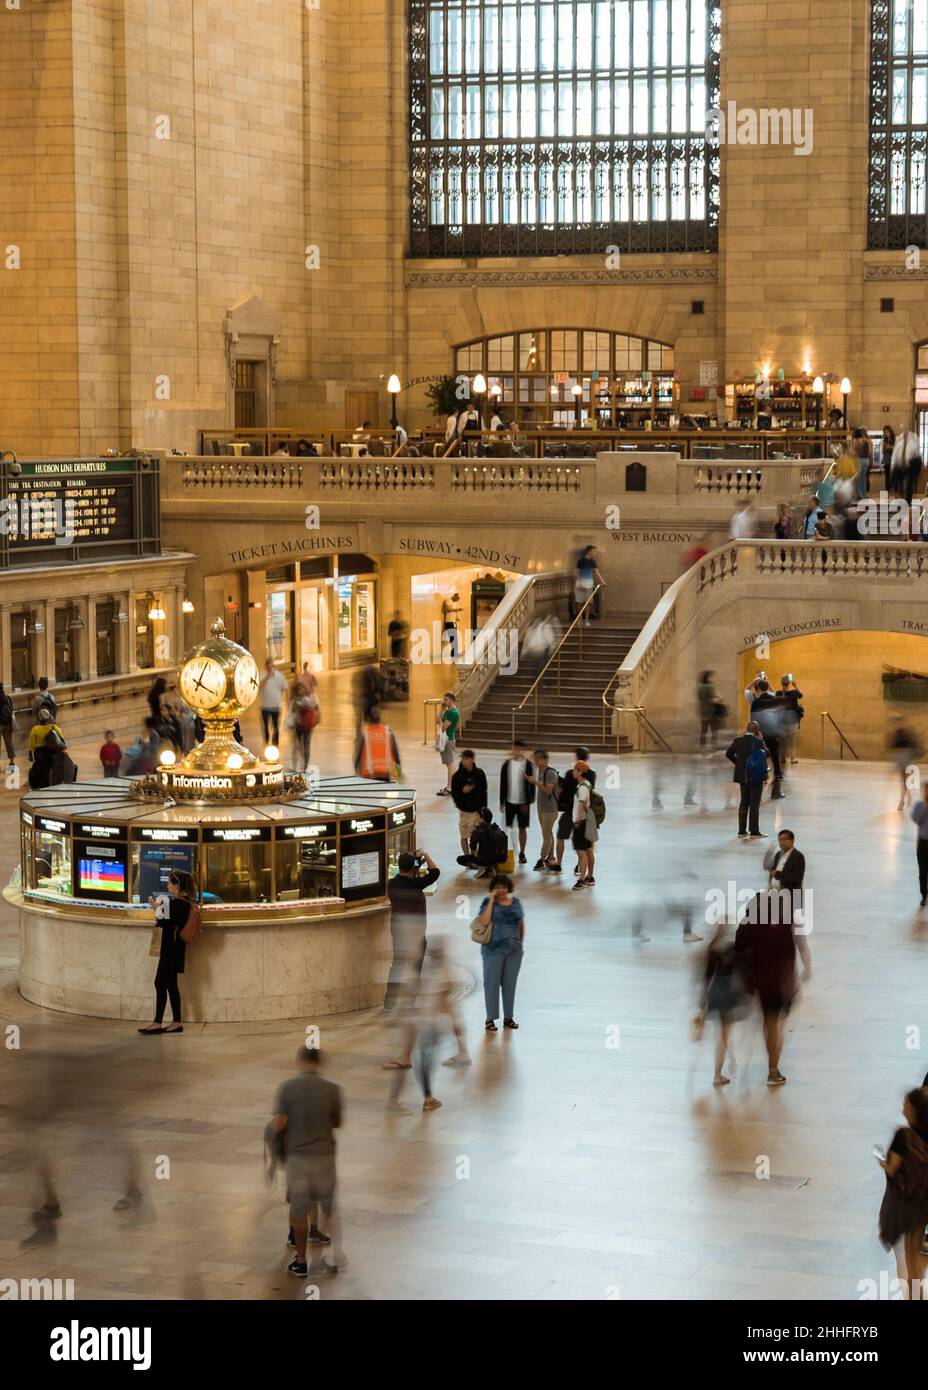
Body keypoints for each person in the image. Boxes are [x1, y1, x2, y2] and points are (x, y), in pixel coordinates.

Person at [273, 1046, 345, 1278]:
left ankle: (301, 1262)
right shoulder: (333, 1088)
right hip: (324, 1155)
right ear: (320, 1062)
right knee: (328, 1207)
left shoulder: (287, 1088)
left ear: (300, 1061)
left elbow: (278, 1125)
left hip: (298, 1157)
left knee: (299, 1209)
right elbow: (336, 1123)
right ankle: (334, 1256)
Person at [735, 887, 811, 1087]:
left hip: (760, 985)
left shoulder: (749, 925)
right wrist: (792, 983)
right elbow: (788, 958)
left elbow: (740, 954)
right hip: (779, 986)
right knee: (778, 1026)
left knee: (768, 1024)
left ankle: (770, 1066)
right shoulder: (783, 926)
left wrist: (747, 982)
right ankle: (773, 1068)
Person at [877, 1087, 928, 1299]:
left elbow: (892, 1168)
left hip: (909, 1203)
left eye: (906, 1105)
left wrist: (881, 1160)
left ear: (914, 1111)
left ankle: (915, 1296)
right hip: (926, 1198)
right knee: (917, 1248)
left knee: (910, 1252)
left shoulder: (903, 1135)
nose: (903, 1108)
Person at [384, 849, 439, 1032]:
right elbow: (436, 872)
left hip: (399, 930)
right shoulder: (418, 884)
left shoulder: (391, 884)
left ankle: (389, 1001)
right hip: (416, 931)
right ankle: (410, 1002)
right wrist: (426, 856)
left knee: (398, 964)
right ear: (413, 867)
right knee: (416, 967)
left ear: (398, 866)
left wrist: (416, 865)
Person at [138, 868, 197, 1035]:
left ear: (177, 885)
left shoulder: (177, 903)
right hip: (174, 948)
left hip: (170, 949)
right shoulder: (185, 903)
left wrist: (156, 908)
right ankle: (169, 1021)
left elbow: (163, 923)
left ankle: (164, 1022)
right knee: (166, 983)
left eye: (170, 883)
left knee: (164, 983)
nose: (168, 885)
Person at [697, 923, 749, 1088]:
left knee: (720, 1034)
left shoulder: (712, 949)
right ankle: (718, 1073)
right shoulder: (733, 948)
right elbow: (742, 971)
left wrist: (703, 1001)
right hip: (728, 994)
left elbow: (706, 978)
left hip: (714, 993)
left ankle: (723, 1067)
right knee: (724, 1034)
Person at [477, 874, 524, 1032]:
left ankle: (508, 1017)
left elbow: (521, 923)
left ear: (508, 887)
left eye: (503, 886)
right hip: (492, 950)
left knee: (510, 984)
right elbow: (483, 922)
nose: (501, 890)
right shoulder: (487, 902)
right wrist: (491, 900)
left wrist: (519, 944)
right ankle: (490, 1018)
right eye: (497, 887)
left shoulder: (516, 902)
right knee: (491, 984)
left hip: (513, 951)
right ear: (493, 889)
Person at [550, 749, 597, 874]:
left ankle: (559, 864)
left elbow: (562, 790)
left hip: (570, 811)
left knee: (560, 837)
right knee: (583, 845)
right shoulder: (592, 774)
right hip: (584, 816)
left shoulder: (571, 773)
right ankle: (580, 866)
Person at [725, 720, 768, 839]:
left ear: (746, 729)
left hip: (742, 776)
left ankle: (742, 831)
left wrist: (739, 764)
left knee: (744, 801)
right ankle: (754, 831)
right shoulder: (758, 741)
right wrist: (762, 741)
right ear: (757, 731)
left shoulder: (737, 741)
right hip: (756, 776)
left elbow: (728, 754)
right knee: (754, 804)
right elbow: (766, 754)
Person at [747, 679, 785, 798]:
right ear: (767, 687)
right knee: (775, 758)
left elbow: (753, 720)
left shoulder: (756, 702)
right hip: (773, 733)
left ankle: (760, 778)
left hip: (761, 734)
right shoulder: (774, 699)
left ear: (757, 689)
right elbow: (780, 716)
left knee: (760, 756)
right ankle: (776, 787)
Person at [499, 738, 535, 865]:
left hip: (523, 802)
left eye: (520, 749)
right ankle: (506, 852)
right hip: (509, 801)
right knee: (507, 827)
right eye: (516, 748)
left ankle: (522, 852)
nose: (517, 751)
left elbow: (532, 784)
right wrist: (501, 801)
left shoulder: (528, 765)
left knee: (522, 828)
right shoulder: (507, 765)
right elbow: (503, 783)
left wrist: (529, 802)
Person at [450, 749, 488, 857]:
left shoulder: (479, 774)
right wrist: (462, 792)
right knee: (464, 836)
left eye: (466, 759)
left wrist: (483, 811)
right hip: (464, 812)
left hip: (476, 812)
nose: (463, 761)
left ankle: (475, 856)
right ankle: (467, 857)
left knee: (476, 837)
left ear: (472, 759)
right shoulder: (457, 776)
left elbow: (484, 792)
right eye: (462, 758)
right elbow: (454, 794)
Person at [528, 749, 560, 870]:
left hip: (550, 809)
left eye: (538, 758)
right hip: (542, 808)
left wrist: (535, 782)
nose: (535, 760)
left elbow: (548, 790)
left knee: (546, 835)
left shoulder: (550, 772)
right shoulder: (540, 770)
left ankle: (541, 860)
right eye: (535, 758)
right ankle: (551, 857)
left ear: (545, 760)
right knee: (548, 833)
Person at [456, 807, 509, 877]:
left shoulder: (479, 830)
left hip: (485, 860)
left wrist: (473, 857)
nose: (476, 817)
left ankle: (483, 866)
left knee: (460, 859)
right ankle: (491, 866)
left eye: (477, 815)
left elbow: (473, 846)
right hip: (500, 859)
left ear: (482, 817)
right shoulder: (497, 829)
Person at [354, 708, 401, 782]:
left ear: (368, 721)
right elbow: (396, 755)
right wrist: (398, 773)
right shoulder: (388, 732)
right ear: (379, 720)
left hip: (368, 773)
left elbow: (357, 756)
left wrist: (357, 771)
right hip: (386, 773)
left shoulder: (364, 734)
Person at [571, 762, 598, 889]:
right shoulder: (588, 784)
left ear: (580, 772)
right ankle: (590, 877)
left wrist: (577, 821)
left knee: (581, 852)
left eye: (575, 769)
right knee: (589, 850)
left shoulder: (582, 787)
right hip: (589, 821)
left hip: (582, 823)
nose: (573, 771)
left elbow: (581, 806)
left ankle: (581, 880)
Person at [27, 709, 66, 790]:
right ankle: (54, 783)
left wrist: (30, 754)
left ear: (39, 718)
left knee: (41, 769)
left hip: (40, 752)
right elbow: (61, 738)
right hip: (52, 751)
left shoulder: (35, 729)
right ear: (48, 717)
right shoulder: (53, 727)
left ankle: (42, 785)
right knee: (52, 767)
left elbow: (32, 743)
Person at [891, 724, 922, 812]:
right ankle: (908, 798)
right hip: (903, 762)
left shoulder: (905, 740)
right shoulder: (907, 740)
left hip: (906, 763)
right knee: (904, 782)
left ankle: (902, 801)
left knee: (904, 783)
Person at [258, 659, 288, 745]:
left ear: (273, 666)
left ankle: (276, 742)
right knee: (265, 726)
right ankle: (266, 739)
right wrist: (268, 676)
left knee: (276, 726)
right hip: (265, 706)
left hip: (276, 705)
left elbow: (285, 688)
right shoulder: (262, 674)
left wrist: (287, 701)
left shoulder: (280, 676)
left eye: (270, 665)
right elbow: (260, 686)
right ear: (265, 666)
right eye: (267, 665)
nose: (269, 667)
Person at [435, 690, 459, 796]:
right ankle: (450, 786)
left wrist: (440, 722)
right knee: (449, 764)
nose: (444, 701)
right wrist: (441, 709)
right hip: (445, 739)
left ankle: (450, 787)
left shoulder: (453, 713)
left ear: (452, 700)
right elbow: (437, 720)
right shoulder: (447, 711)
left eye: (446, 700)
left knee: (450, 764)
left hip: (448, 740)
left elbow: (444, 726)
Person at [892, 424, 923, 504]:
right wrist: (893, 466)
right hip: (900, 466)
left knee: (909, 483)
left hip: (910, 466)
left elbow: (917, 454)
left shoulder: (913, 442)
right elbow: (895, 455)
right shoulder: (899, 441)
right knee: (900, 483)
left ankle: (908, 501)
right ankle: (901, 498)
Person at [573, 544, 604, 622]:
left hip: (589, 584)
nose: (595, 553)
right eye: (593, 551)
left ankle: (586, 619)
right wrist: (579, 583)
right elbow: (577, 572)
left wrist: (602, 581)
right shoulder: (581, 560)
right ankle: (579, 619)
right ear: (589, 552)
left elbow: (597, 571)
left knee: (588, 603)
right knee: (579, 602)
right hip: (580, 583)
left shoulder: (593, 561)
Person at [697, 670, 725, 752]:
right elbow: (713, 700)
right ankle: (713, 747)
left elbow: (701, 699)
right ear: (708, 677)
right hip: (712, 712)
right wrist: (720, 699)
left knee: (703, 731)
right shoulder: (709, 687)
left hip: (703, 711)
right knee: (714, 730)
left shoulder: (700, 687)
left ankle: (702, 748)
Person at [911, 782, 928, 907]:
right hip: (922, 843)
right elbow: (916, 820)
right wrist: (924, 809)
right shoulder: (919, 805)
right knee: (922, 872)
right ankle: (924, 895)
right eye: (926, 791)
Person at [850, 427, 872, 500]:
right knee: (863, 478)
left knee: (858, 478)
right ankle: (864, 495)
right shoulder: (867, 441)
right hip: (866, 461)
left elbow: (853, 453)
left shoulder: (856, 441)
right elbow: (870, 452)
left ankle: (859, 495)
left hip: (859, 461)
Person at [440, 592, 462, 658]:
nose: (457, 600)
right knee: (452, 638)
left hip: (453, 622)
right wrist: (456, 610)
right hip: (449, 622)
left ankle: (454, 653)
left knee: (454, 638)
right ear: (454, 596)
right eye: (457, 599)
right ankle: (453, 653)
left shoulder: (455, 603)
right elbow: (447, 609)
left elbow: (455, 613)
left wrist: (458, 617)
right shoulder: (448, 600)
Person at [0, 682, 16, 766]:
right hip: (7, 724)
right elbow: (12, 710)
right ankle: (12, 762)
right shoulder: (7, 698)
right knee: (9, 744)